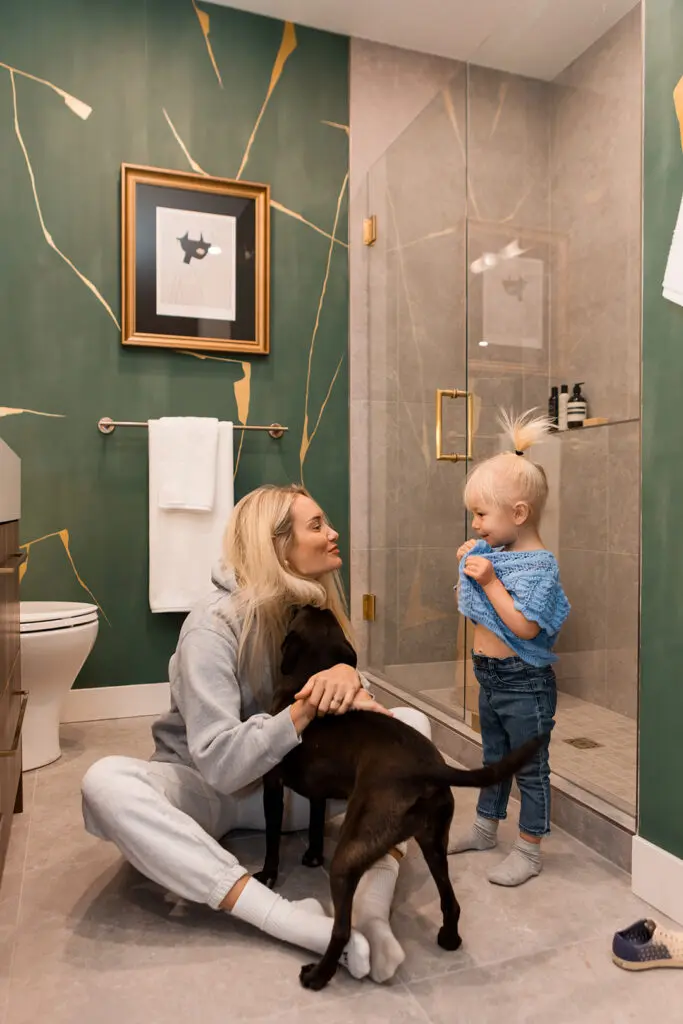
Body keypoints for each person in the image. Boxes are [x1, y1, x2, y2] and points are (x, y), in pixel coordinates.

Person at [81, 484, 430, 983]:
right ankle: (293, 922)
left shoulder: (313, 611)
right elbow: (221, 765)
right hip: (212, 794)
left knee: (412, 728)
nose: (334, 533)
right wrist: (303, 710)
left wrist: (351, 679)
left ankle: (371, 909)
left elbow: (343, 707)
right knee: (105, 783)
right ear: (277, 546)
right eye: (317, 525)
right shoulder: (212, 626)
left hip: (297, 790)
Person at [448, 411, 570, 886]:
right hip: (490, 677)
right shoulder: (495, 557)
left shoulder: (540, 566)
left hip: (524, 682)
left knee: (530, 769)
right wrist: (470, 570)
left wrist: (489, 580)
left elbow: (524, 625)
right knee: (494, 759)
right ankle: (485, 828)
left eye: (482, 514)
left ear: (518, 514)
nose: (475, 523)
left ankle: (529, 850)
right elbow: (472, 609)